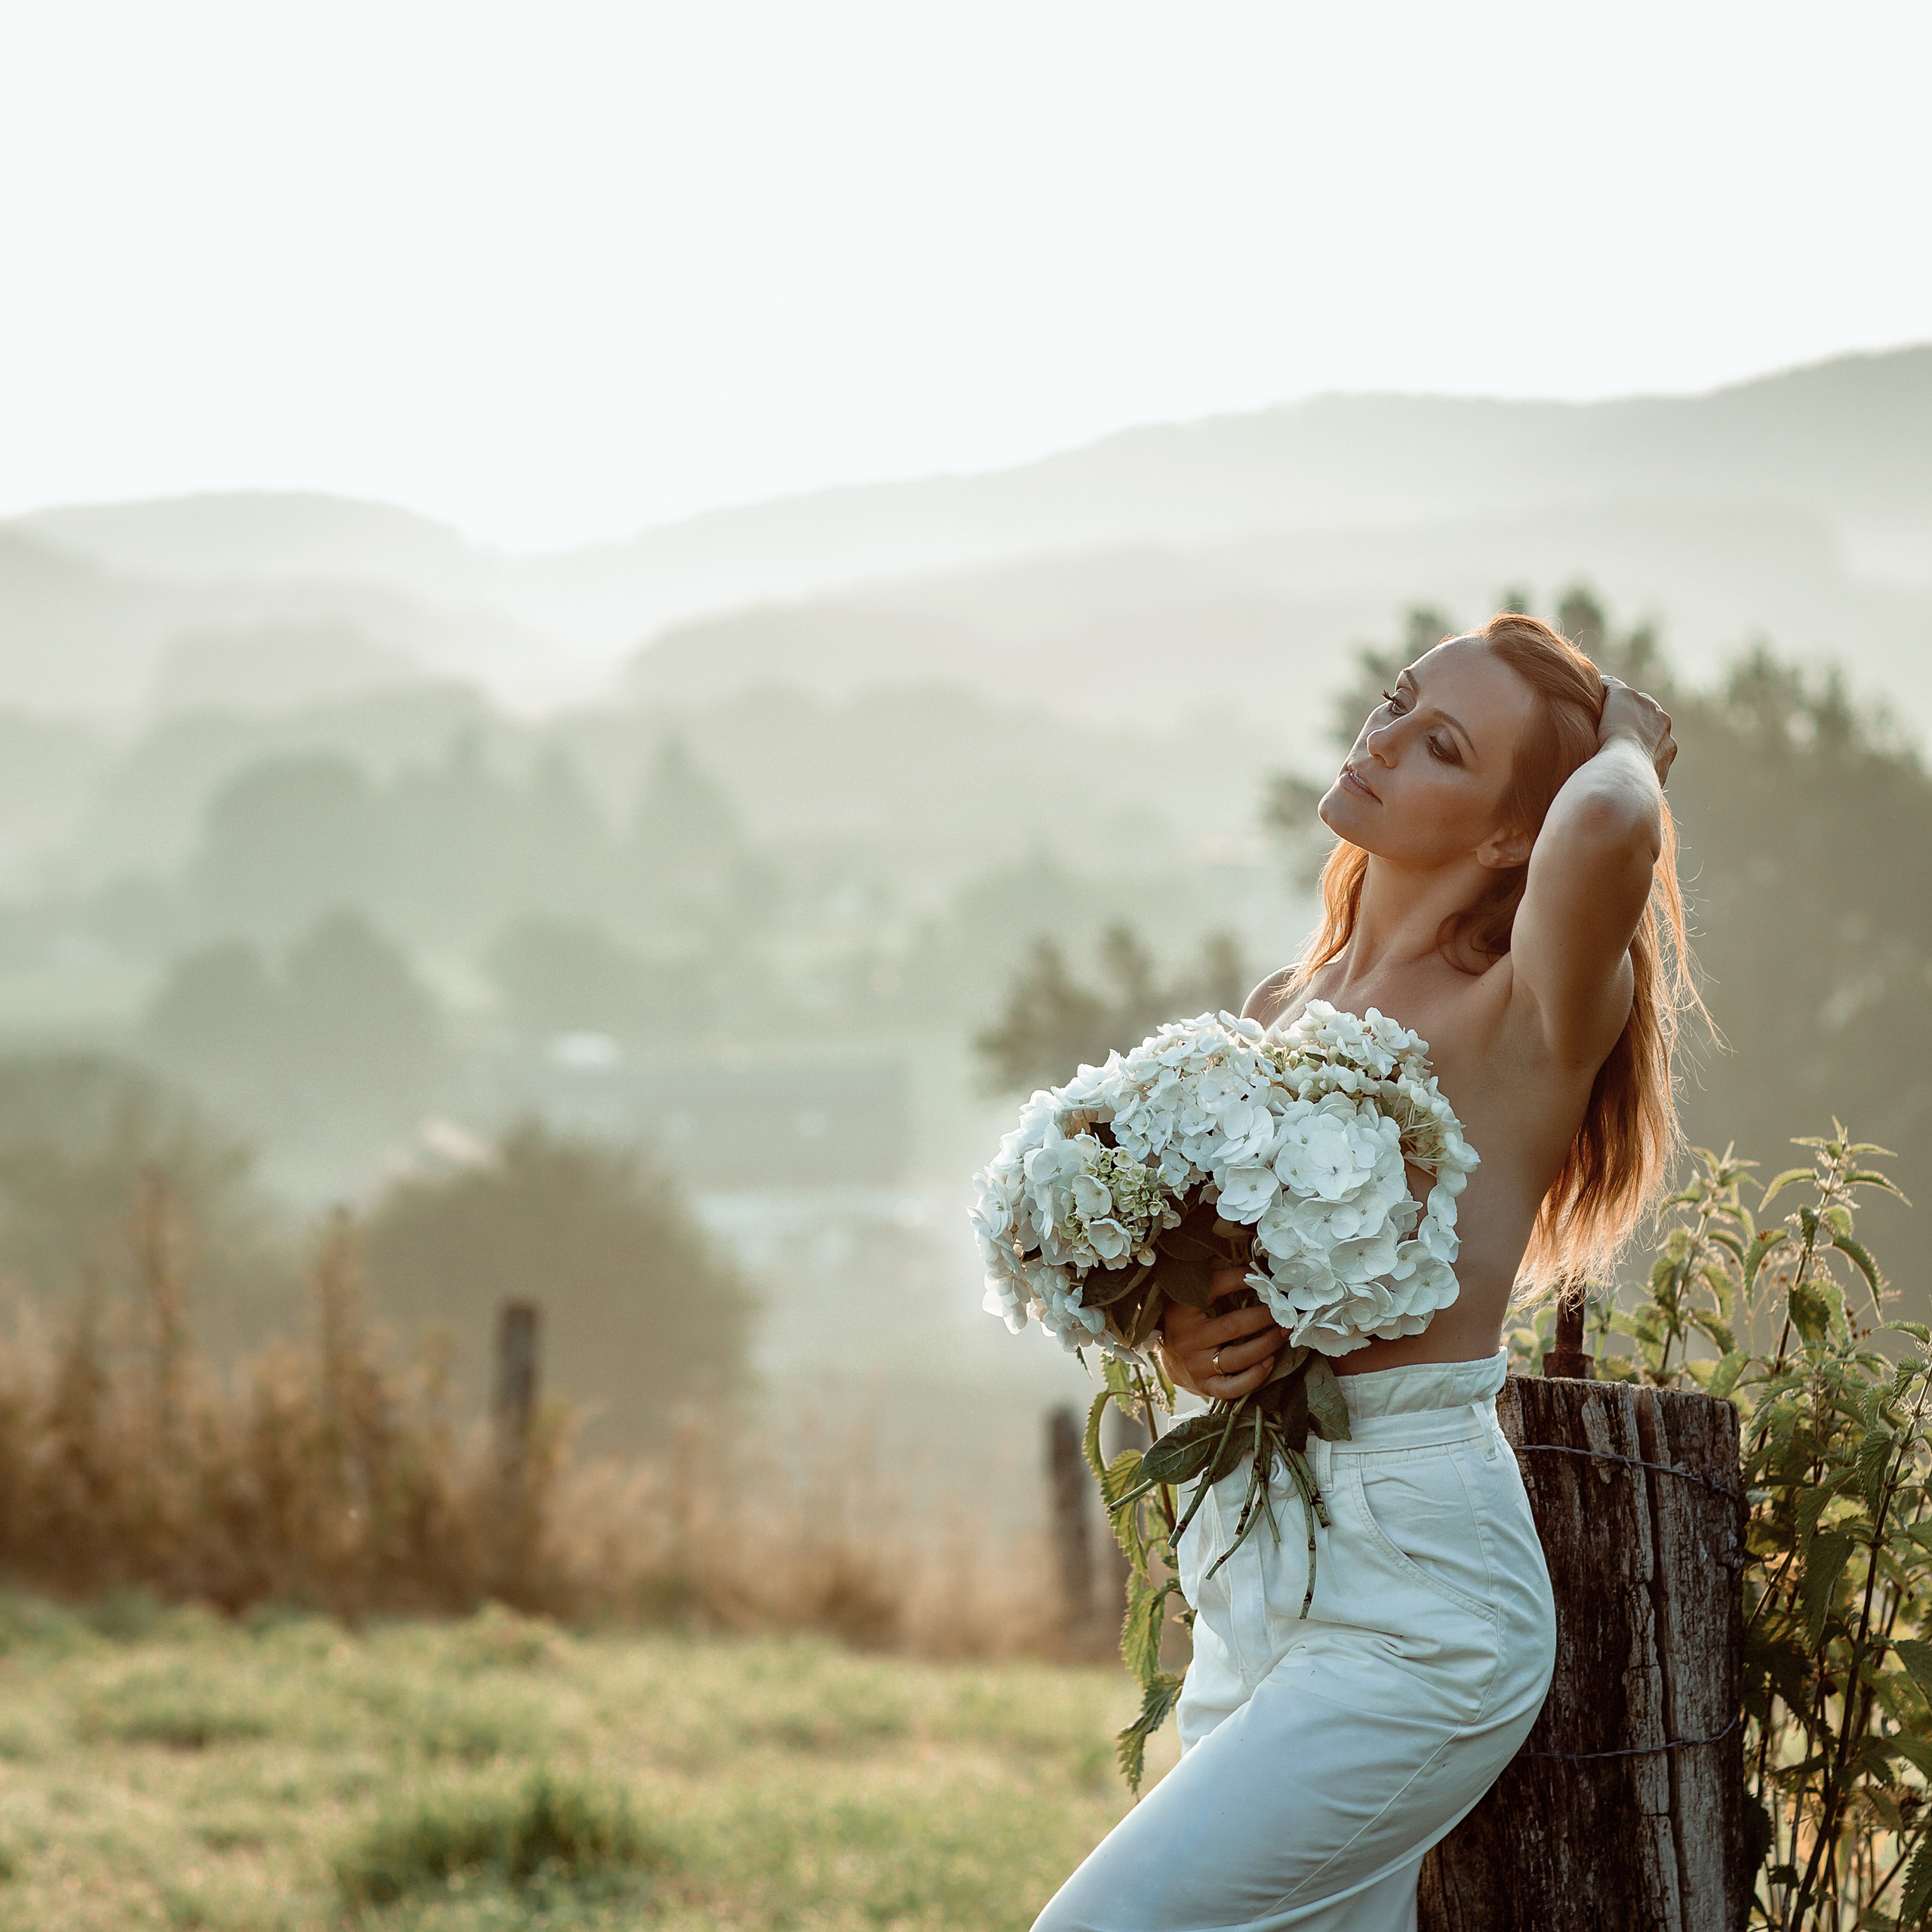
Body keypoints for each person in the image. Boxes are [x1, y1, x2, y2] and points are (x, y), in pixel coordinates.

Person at [1031, 612, 1693, 1932]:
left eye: (1441, 745)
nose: (1383, 738)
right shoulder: (1290, 1000)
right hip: (1255, 1557)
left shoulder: (1531, 1007)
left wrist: (1627, 739)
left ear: (1515, 835)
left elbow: (1612, 832)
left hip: (1420, 1595)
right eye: (1397, 702)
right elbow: (1211, 1264)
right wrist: (1176, 1336)